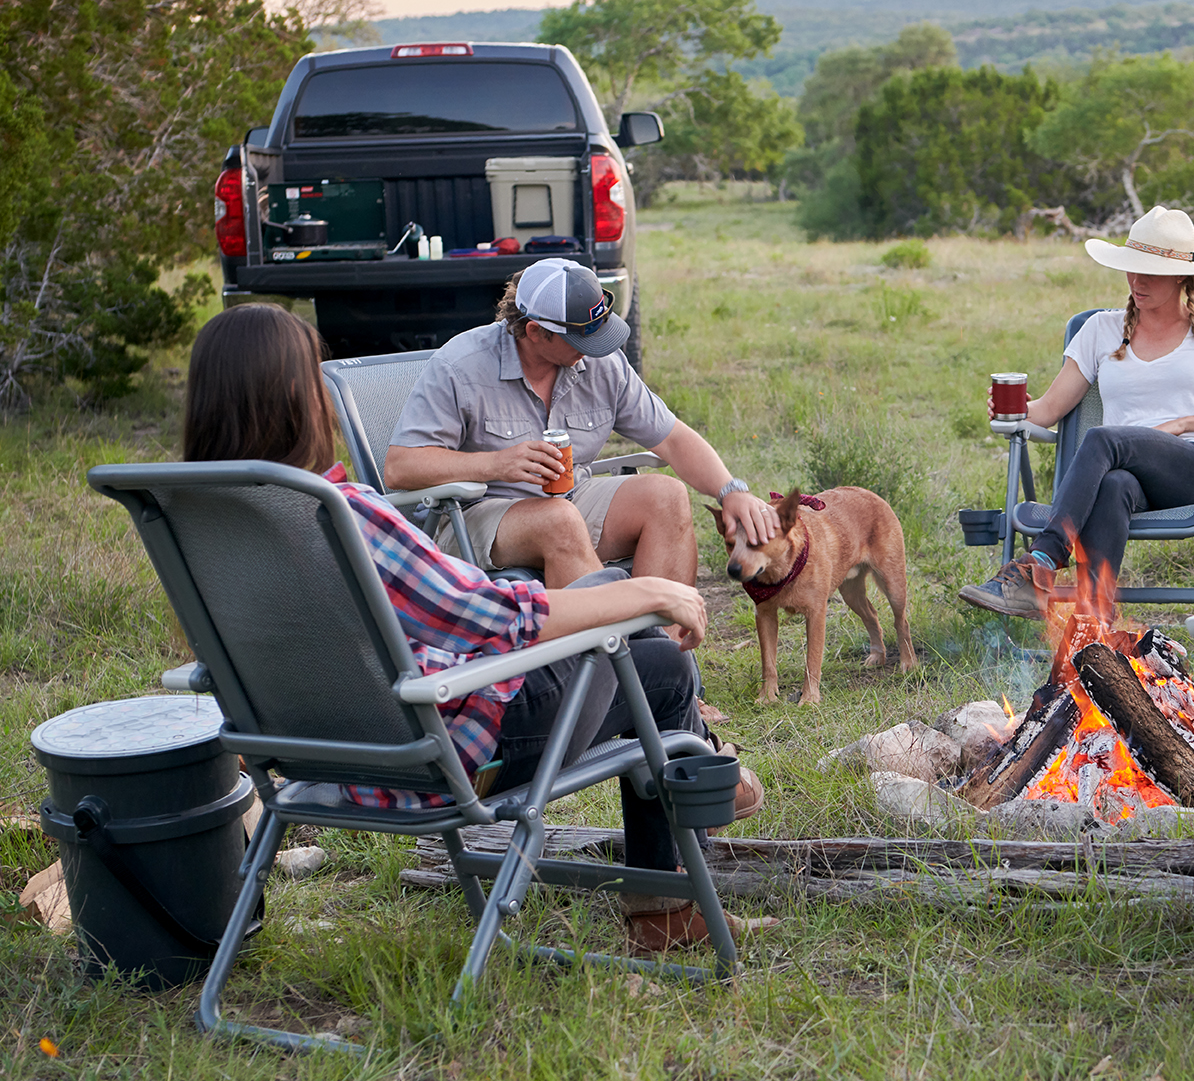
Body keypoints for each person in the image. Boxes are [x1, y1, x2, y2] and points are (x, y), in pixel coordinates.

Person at [181, 303, 771, 953]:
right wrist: (649, 593)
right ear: (299, 400)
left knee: (616, 623)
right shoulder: (337, 513)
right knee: (655, 662)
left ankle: (692, 800)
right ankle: (675, 881)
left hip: (305, 753)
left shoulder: (192, 523)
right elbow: (497, 618)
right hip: (445, 757)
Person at [385, 258, 784, 588]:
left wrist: (732, 491)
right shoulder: (461, 366)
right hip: (473, 515)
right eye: (581, 341)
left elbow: (673, 438)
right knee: (558, 522)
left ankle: (666, 668)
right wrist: (495, 463)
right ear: (536, 331)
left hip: (569, 501)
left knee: (666, 496)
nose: (593, 351)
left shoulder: (600, 363)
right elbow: (401, 467)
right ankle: (610, 662)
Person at [958, 206, 1194, 619]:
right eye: (1131, 268)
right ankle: (1094, 627)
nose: (1136, 281)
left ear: (1182, 275)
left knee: (1102, 437)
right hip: (1128, 476)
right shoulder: (1100, 330)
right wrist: (1016, 410)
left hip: (1192, 470)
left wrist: (1183, 423)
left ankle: (1040, 565)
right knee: (1114, 484)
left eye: (1151, 272)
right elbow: (1050, 409)